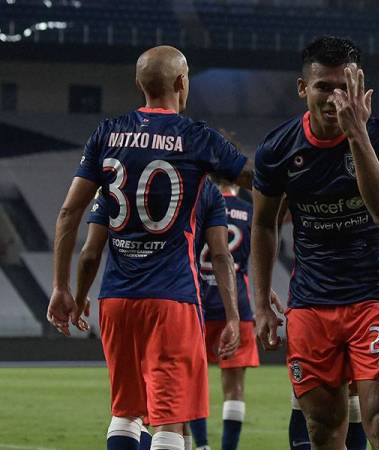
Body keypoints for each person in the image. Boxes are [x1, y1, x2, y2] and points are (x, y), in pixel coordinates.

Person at [47, 45, 251, 450]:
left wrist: (63, 288)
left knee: (125, 412)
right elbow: (253, 178)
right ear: (181, 83)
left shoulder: (107, 134)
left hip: (117, 299)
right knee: (170, 422)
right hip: (171, 297)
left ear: (139, 84)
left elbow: (71, 214)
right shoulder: (196, 138)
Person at [252, 36, 379, 450]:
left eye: (345, 87)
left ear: (360, 87)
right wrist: (260, 302)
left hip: (375, 298)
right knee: (323, 431)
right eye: (323, 86)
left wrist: (356, 134)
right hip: (311, 305)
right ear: (302, 88)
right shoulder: (276, 149)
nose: (334, 98)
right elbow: (264, 224)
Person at [288, 181, 379, 450]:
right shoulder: (295, 159)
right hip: (314, 300)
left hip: (374, 301)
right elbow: (267, 218)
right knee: (322, 427)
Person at [189, 175, 259, 450]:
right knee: (234, 388)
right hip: (236, 306)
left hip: (198, 305)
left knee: (192, 382)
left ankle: (202, 446)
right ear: (237, 181)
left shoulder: (197, 206)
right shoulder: (249, 212)